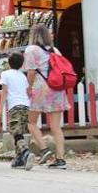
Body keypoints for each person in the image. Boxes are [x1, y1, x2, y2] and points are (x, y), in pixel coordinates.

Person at [23, 24, 69, 169]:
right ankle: (60, 159)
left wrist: (28, 87)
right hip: (57, 89)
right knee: (56, 126)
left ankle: (44, 149)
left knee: (31, 122)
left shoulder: (31, 50)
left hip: (41, 89)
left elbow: (31, 72)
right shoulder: (55, 50)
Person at [0, 52, 32, 169]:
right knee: (19, 132)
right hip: (26, 106)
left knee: (16, 133)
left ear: (9, 63)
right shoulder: (23, 76)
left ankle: (25, 152)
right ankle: (19, 159)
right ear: (21, 65)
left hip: (15, 106)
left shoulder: (5, 74)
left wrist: (0, 109)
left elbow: (4, 91)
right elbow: (27, 92)